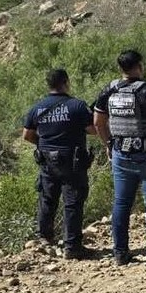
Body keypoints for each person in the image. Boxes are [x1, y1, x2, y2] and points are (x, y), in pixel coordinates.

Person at [92, 50, 146, 267]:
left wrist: (108, 144)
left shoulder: (109, 90)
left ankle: (120, 253)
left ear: (120, 68)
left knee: (121, 203)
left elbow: (97, 122)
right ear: (140, 66)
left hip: (121, 154)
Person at [22, 68, 97, 260]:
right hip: (72, 161)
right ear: (66, 82)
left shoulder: (37, 108)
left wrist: (44, 144)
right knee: (72, 202)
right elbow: (92, 130)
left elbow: (27, 135)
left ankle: (44, 240)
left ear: (49, 85)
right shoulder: (77, 106)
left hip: (47, 161)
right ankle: (72, 246)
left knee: (47, 199)